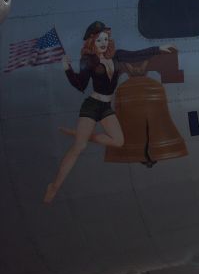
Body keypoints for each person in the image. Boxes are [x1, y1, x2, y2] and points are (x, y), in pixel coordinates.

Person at [43, 21, 175, 203]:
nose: (103, 43)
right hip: (92, 105)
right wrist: (67, 69)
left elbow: (136, 55)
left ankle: (83, 135)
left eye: (105, 39)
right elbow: (80, 85)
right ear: (92, 42)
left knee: (118, 141)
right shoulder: (88, 61)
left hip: (105, 107)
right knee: (79, 147)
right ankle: (55, 185)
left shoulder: (117, 57)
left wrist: (159, 48)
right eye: (99, 40)